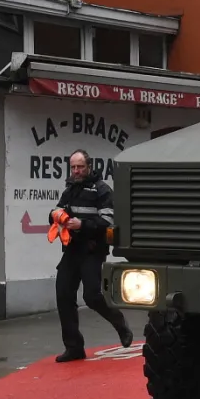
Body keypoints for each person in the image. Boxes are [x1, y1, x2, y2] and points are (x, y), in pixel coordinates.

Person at [52, 150, 132, 361]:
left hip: (92, 250)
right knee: (63, 294)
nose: (76, 171)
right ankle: (74, 348)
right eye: (73, 167)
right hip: (72, 250)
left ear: (89, 167)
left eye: (80, 167)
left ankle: (120, 323)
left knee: (92, 296)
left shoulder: (102, 190)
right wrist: (56, 215)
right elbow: (58, 210)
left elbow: (107, 222)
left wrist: (82, 224)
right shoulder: (70, 188)